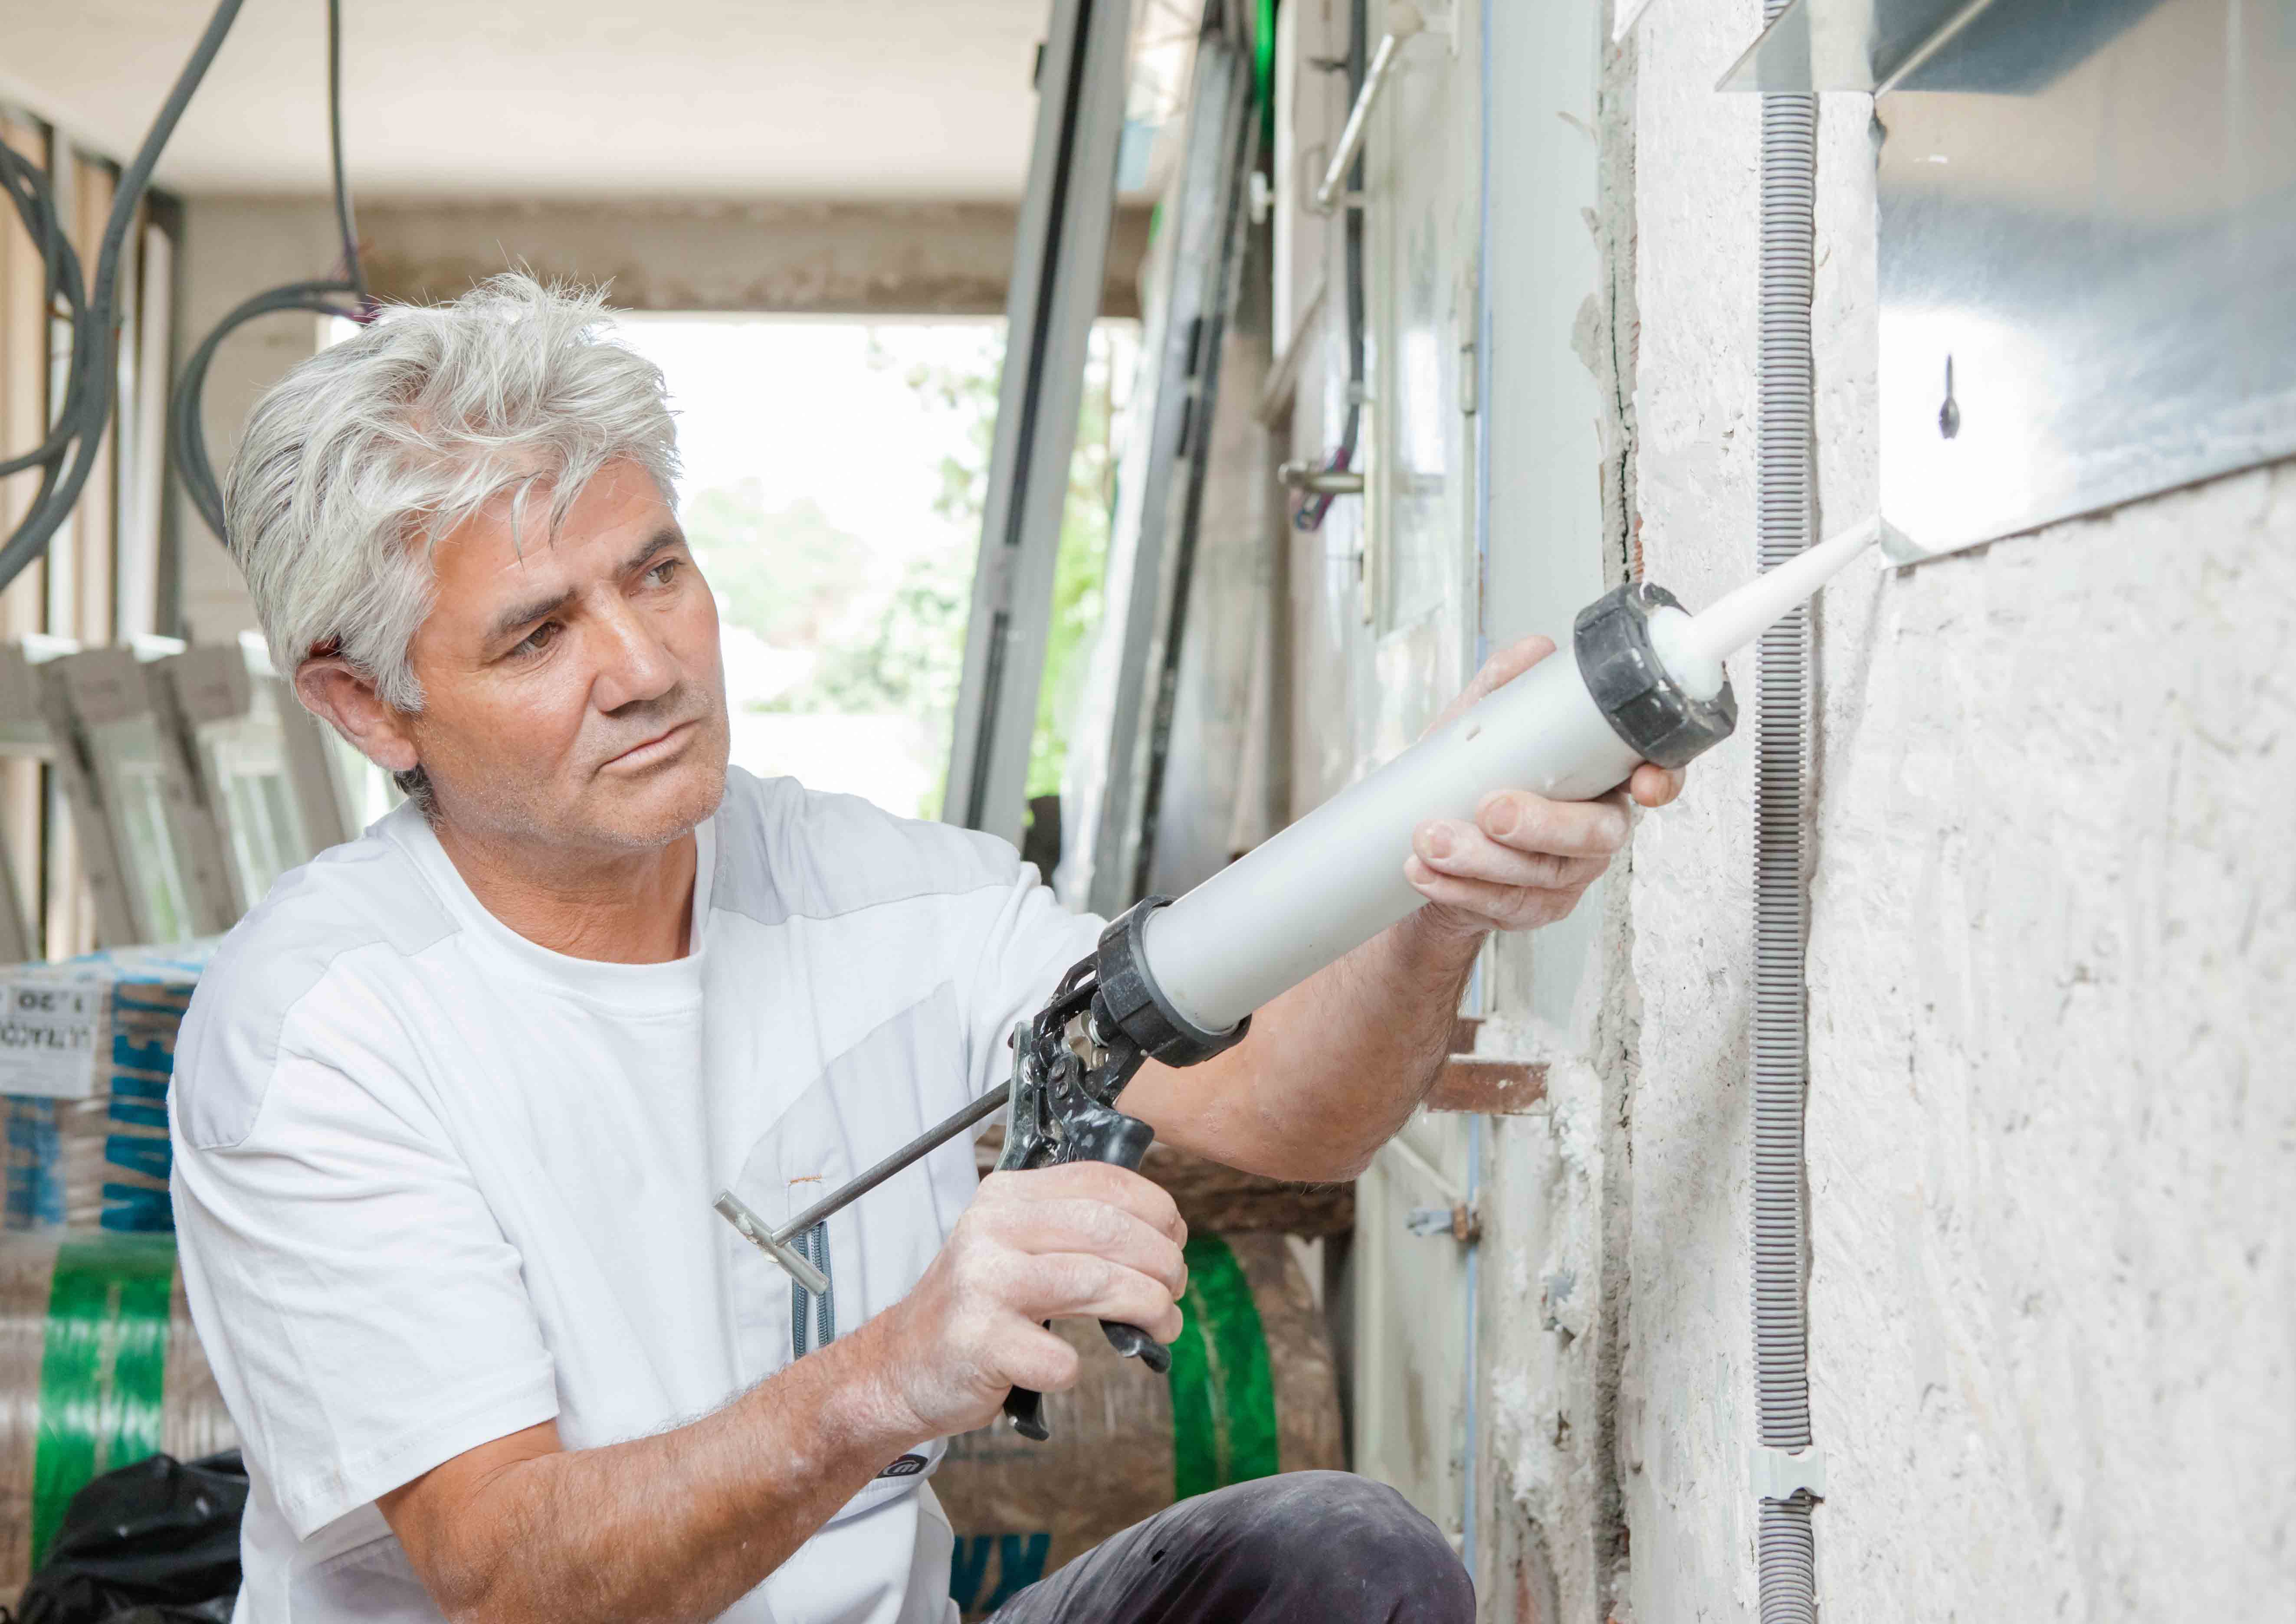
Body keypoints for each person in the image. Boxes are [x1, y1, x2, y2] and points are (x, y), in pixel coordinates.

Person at [167, 275, 1683, 1624]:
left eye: (656, 571)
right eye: (535, 635)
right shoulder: (322, 1029)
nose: (644, 667)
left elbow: (1291, 1111)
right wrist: (887, 1373)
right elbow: (505, 1578)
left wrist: (1436, 904)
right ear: (367, 705)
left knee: (1339, 1560)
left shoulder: (873, 892)